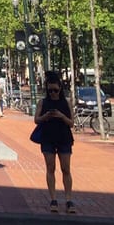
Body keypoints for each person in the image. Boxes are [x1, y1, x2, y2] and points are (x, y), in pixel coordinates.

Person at [34, 70, 75, 213]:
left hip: (64, 137)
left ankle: (69, 199)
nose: (53, 93)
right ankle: (53, 199)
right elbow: (36, 120)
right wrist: (46, 116)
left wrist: (61, 116)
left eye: (55, 90)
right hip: (48, 137)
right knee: (50, 168)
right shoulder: (42, 102)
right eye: (50, 90)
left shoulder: (66, 102)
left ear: (60, 89)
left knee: (66, 168)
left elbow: (71, 123)